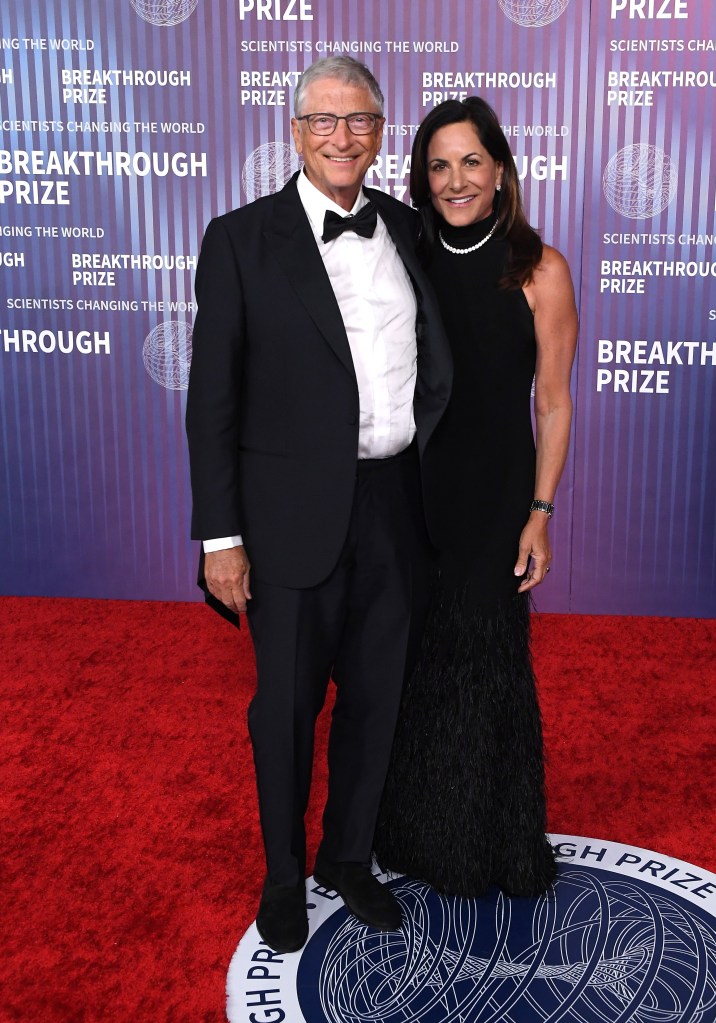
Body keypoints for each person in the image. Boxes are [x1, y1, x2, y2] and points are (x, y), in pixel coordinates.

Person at [185, 56, 451, 952]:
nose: (343, 137)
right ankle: (283, 874)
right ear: (294, 132)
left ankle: (347, 859)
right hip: (288, 516)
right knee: (286, 708)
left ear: (382, 133)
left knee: (378, 700)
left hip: (395, 508)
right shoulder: (238, 238)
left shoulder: (411, 232)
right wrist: (221, 536)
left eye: (361, 120)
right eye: (324, 121)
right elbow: (211, 400)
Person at [374, 97, 578, 898]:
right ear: (421, 179)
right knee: (412, 664)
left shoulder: (538, 269)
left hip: (496, 497)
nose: (454, 180)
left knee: (484, 667)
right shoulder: (405, 254)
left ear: (499, 171)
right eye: (437, 164)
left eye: (470, 162)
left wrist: (541, 511)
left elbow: (554, 402)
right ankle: (417, 832)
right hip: (410, 490)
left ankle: (493, 840)